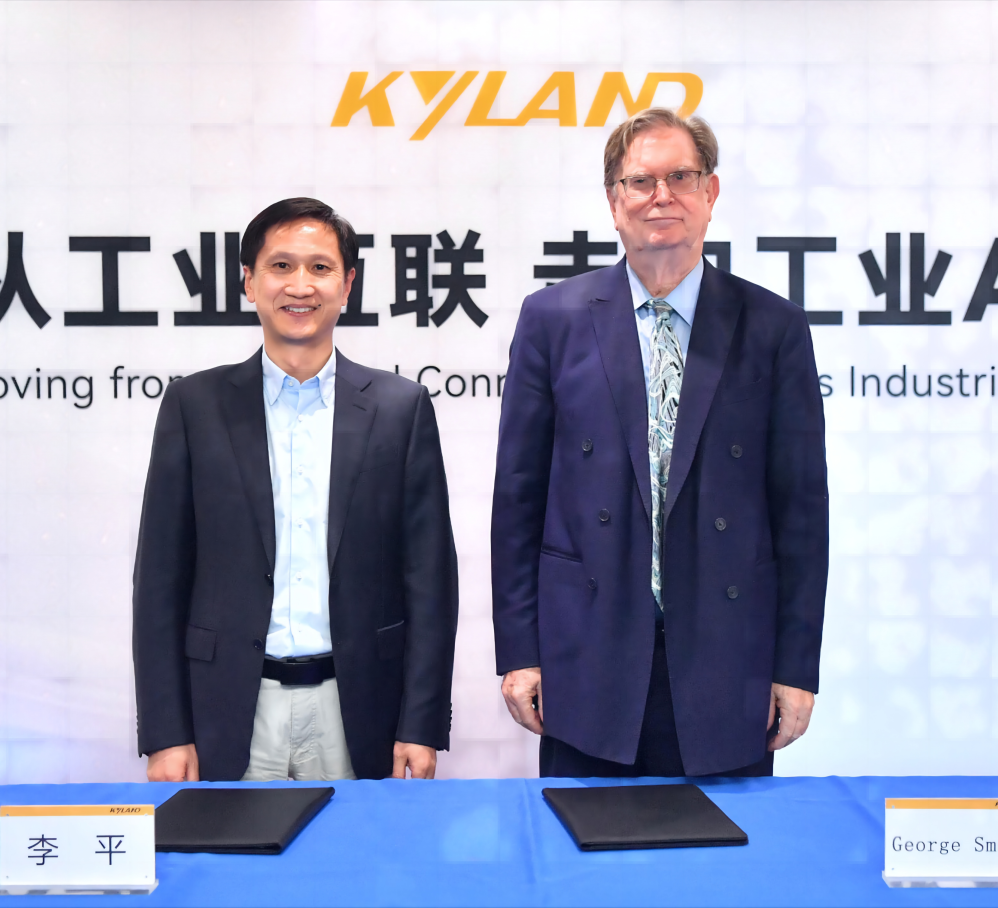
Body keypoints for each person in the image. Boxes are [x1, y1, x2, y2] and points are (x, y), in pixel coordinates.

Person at [492, 108, 828, 777]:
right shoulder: (552, 319)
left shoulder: (772, 326)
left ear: (711, 192)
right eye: (641, 181)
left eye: (681, 177)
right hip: (585, 656)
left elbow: (801, 512)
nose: (661, 196)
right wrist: (520, 652)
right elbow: (518, 502)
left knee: (720, 847)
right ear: (614, 201)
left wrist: (795, 666)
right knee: (582, 843)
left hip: (727, 659)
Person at [133, 198, 458, 782]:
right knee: (228, 846)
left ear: (348, 284)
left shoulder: (400, 408)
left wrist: (422, 723)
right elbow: (159, 580)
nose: (300, 286)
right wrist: (165, 731)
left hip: (359, 710)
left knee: (355, 847)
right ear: (249, 282)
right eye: (280, 266)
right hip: (228, 709)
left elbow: (430, 582)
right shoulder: (194, 407)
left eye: (320, 267)